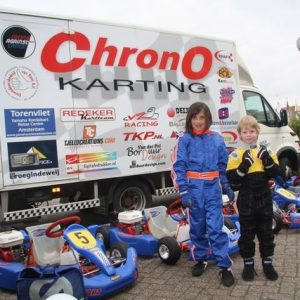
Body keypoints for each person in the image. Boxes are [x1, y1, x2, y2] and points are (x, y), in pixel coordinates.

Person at [172, 102, 235, 287]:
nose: (198, 121)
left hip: (212, 189)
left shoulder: (217, 139)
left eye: (202, 117)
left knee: (216, 227)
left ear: (208, 119)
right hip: (193, 189)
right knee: (197, 227)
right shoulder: (184, 140)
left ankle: (224, 266)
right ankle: (201, 259)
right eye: (195, 117)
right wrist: (184, 190)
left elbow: (224, 165)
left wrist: (226, 184)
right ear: (189, 119)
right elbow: (179, 166)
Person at [226, 115, 282, 281]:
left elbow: (276, 174)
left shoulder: (267, 151)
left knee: (266, 233)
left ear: (257, 133)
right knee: (247, 234)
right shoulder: (235, 155)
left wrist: (267, 160)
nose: (249, 134)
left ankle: (268, 264)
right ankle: (248, 265)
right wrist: (244, 166)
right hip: (246, 199)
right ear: (240, 134)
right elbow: (233, 181)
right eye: (245, 132)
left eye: (252, 131)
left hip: (264, 197)